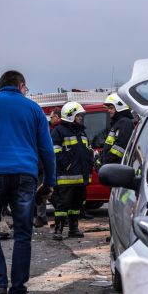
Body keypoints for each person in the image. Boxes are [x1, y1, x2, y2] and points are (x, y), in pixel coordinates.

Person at [0, 70, 55, 294]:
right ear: (21, 86)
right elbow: (47, 150)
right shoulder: (33, 110)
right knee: (23, 234)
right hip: (25, 175)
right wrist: (50, 181)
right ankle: (18, 291)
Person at [50, 101, 93, 240]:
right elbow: (55, 151)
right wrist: (66, 164)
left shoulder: (81, 131)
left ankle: (73, 229)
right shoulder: (58, 131)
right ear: (70, 115)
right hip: (66, 177)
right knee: (63, 204)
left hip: (81, 176)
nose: (81, 118)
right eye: (79, 116)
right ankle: (58, 230)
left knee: (76, 204)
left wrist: (91, 161)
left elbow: (86, 150)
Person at [34, 108, 61, 228]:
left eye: (52, 117)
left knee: (47, 193)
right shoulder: (49, 129)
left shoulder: (57, 130)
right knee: (46, 193)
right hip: (44, 166)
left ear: (58, 117)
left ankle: (43, 217)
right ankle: (43, 217)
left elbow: (47, 150)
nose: (50, 119)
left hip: (46, 166)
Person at [99, 93, 134, 166]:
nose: (108, 110)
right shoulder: (117, 123)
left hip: (117, 166)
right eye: (108, 108)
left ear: (119, 107)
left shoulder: (125, 123)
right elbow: (110, 145)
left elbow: (119, 148)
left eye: (111, 108)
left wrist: (106, 161)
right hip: (113, 166)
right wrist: (101, 158)